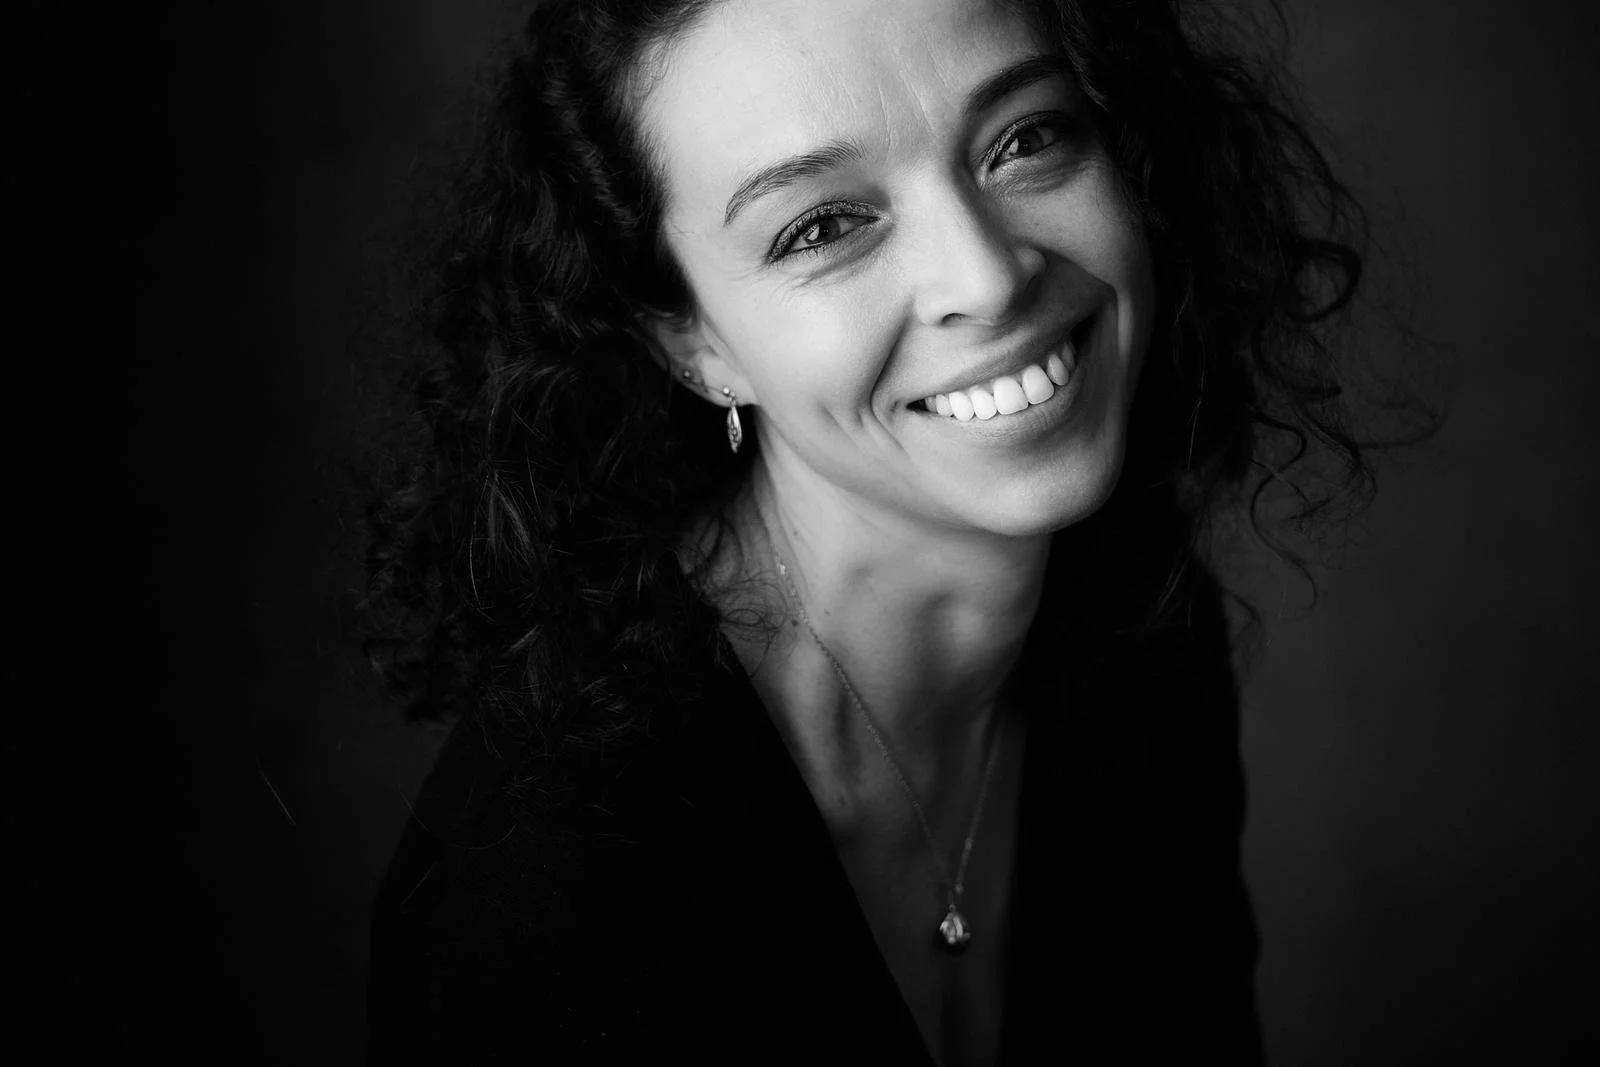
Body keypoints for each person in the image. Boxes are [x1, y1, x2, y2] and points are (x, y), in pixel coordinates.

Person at [363, 0, 1383, 1062]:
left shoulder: (1138, 623)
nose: (987, 278)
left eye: (1026, 138)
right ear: (690, 339)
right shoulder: (554, 885)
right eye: (822, 226)